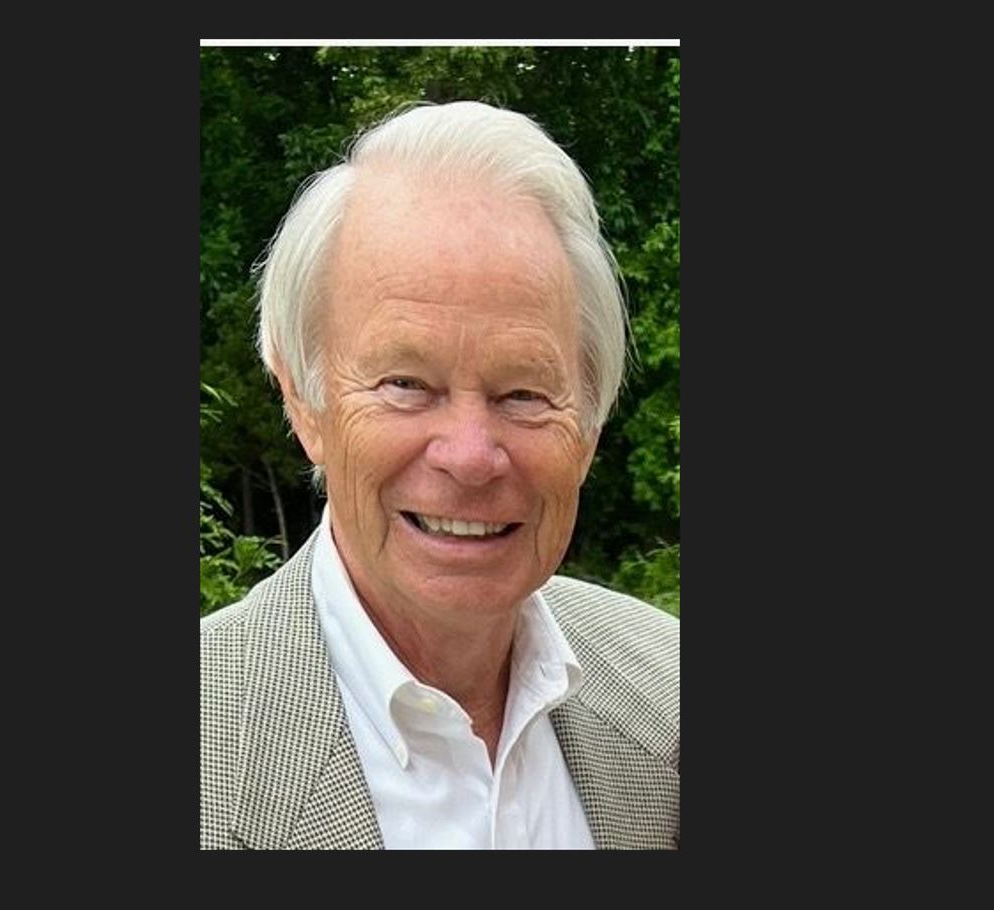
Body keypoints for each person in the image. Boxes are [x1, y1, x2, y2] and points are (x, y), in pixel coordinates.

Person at [200, 101, 679, 850]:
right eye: (406, 385)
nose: (470, 455)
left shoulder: (667, 697)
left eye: (523, 393)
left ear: (588, 426)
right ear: (304, 404)